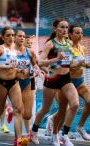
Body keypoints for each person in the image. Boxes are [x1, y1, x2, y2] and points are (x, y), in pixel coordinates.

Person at [30, 18, 79, 146]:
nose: (65, 29)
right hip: (52, 79)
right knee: (46, 108)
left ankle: (63, 135)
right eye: (62, 27)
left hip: (65, 79)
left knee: (73, 106)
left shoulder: (68, 43)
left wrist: (79, 63)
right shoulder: (50, 44)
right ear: (54, 28)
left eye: (66, 27)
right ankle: (34, 130)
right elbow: (40, 62)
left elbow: (68, 63)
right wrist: (56, 59)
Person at [0, 27, 29, 146]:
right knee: (0, 110)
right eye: (8, 35)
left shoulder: (13, 50)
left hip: (14, 82)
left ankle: (18, 139)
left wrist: (19, 70)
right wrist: (7, 67)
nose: (11, 38)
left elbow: (12, 67)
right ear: (2, 37)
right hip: (1, 83)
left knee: (19, 110)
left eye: (13, 35)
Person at [46, 25, 90, 141]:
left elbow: (84, 64)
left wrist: (85, 64)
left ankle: (79, 127)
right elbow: (63, 65)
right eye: (77, 33)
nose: (80, 35)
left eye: (81, 33)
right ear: (70, 35)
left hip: (80, 82)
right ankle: (53, 123)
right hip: (67, 82)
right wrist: (79, 64)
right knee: (63, 111)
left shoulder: (83, 48)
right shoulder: (66, 47)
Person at [7, 30, 37, 145]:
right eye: (19, 36)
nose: (22, 38)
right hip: (15, 82)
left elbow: (34, 65)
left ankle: (11, 111)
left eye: (24, 36)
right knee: (19, 111)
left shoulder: (30, 51)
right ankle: (17, 139)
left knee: (28, 115)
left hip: (28, 81)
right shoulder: (10, 52)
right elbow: (7, 67)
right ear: (15, 38)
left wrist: (36, 70)